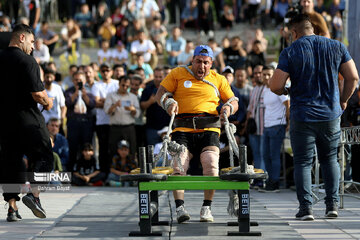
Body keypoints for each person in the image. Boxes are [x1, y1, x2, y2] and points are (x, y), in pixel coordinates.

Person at [269, 14, 359, 220]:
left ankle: (306, 208)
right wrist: (343, 100)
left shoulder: (290, 51)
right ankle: (332, 205)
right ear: (313, 29)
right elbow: (353, 77)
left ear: (294, 33)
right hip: (330, 114)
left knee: (302, 161)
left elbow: (274, 85)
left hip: (302, 115)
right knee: (330, 160)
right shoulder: (336, 46)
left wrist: (285, 92)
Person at [155, 45, 239, 223]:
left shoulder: (219, 79)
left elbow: (233, 100)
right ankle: (180, 208)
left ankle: (206, 207)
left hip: (209, 128)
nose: (202, 66)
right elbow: (160, 93)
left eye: (206, 63)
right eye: (198, 62)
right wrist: (168, 102)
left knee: (211, 164)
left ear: (211, 63)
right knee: (178, 166)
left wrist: (228, 108)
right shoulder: (178, 73)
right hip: (182, 129)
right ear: (192, 60)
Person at [0, 24, 54, 221]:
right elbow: (38, 94)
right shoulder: (27, 61)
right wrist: (49, 103)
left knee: (10, 163)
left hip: (5, 121)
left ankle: (12, 208)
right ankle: (34, 194)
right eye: (32, 42)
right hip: (28, 119)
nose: (33, 47)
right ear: (21, 38)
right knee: (46, 156)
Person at [258, 66, 289, 193]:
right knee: (265, 155)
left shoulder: (278, 88)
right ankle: (270, 180)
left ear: (274, 75)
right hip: (267, 125)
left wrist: (288, 123)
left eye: (269, 74)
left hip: (277, 125)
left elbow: (288, 104)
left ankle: (274, 182)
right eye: (264, 74)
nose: (266, 77)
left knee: (274, 155)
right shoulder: (265, 89)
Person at [64, 71, 96, 171]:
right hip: (74, 123)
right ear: (73, 81)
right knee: (73, 148)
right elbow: (68, 103)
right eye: (76, 80)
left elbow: (92, 104)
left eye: (80, 80)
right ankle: (71, 172)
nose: (78, 82)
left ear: (85, 80)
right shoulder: (69, 91)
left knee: (86, 147)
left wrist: (84, 95)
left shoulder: (89, 91)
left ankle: (86, 170)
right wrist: (76, 93)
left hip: (86, 123)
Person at [104, 75, 140, 158]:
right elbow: (106, 111)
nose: (124, 87)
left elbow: (137, 114)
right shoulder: (111, 95)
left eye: (127, 86)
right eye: (123, 85)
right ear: (119, 84)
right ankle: (114, 170)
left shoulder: (133, 97)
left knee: (131, 150)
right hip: (115, 128)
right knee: (113, 150)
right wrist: (115, 105)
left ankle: (131, 169)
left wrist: (132, 109)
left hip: (129, 127)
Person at [140, 67, 170, 146]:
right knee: (153, 154)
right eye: (156, 77)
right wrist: (150, 101)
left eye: (160, 77)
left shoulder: (170, 88)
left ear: (164, 76)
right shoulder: (148, 89)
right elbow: (142, 106)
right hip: (152, 128)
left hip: (166, 128)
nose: (158, 79)